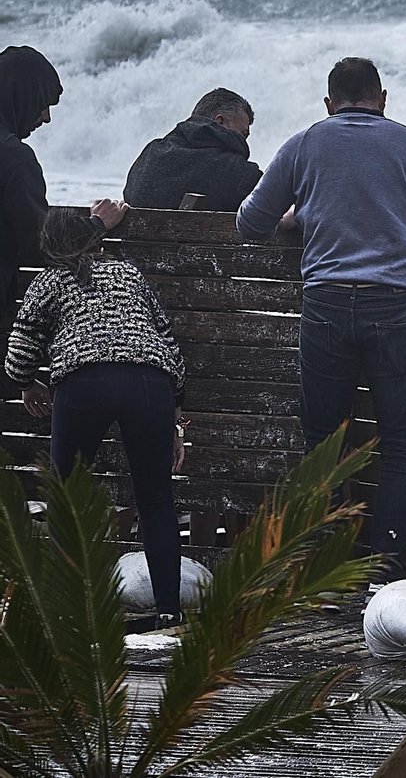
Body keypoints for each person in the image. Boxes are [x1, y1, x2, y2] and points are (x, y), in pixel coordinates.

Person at [236, 57, 406, 576]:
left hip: (327, 305)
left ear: (329, 103)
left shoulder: (305, 142)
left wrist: (306, 214)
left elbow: (251, 222)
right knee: (404, 445)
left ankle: (330, 571)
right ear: (382, 99)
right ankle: (384, 568)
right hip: (399, 308)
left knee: (325, 442)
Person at [5, 208, 187, 632]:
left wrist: (30, 384)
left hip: (84, 384)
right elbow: (167, 342)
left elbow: (18, 355)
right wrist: (175, 416)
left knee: (68, 501)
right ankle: (168, 613)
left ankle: (67, 612)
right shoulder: (128, 275)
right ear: (98, 244)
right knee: (157, 499)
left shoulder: (48, 282)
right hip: (150, 383)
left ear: (49, 246)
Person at [1, 45, 128, 310]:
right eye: (42, 103)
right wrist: (97, 224)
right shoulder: (14, 159)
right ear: (22, 96)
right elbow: (41, 243)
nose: (46, 117)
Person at [123, 88, 263, 210]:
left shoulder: (150, 155)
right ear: (220, 122)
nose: (245, 142)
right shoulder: (240, 173)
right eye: (243, 134)